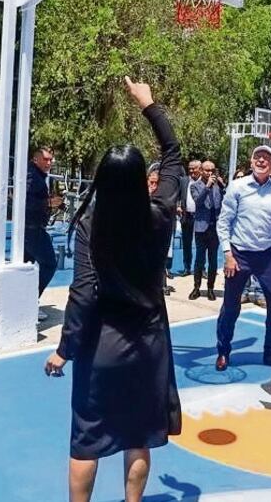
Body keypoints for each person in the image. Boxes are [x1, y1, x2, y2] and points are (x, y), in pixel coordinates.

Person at [43, 77, 183, 502]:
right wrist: (150, 104)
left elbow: (83, 294)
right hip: (149, 345)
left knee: (87, 439)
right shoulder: (160, 217)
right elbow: (174, 154)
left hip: (102, 348)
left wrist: (64, 349)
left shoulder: (91, 226)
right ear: (145, 180)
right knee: (137, 437)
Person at [215, 144, 271, 372]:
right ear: (252, 161)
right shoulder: (237, 186)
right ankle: (223, 351)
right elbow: (224, 222)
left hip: (267, 256)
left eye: (266, 158)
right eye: (257, 156)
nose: (261, 160)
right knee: (231, 307)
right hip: (239, 255)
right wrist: (227, 254)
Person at [25, 146, 58, 314]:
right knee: (50, 264)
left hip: (29, 229)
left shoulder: (35, 175)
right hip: (33, 230)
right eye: (46, 159)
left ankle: (25, 303)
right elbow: (27, 203)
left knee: (26, 267)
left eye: (51, 159)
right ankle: (30, 300)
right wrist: (49, 203)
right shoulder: (32, 177)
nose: (49, 162)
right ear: (36, 160)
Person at [189, 160, 224, 301]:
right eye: (207, 170)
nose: (210, 173)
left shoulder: (218, 186)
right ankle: (196, 287)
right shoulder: (195, 186)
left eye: (212, 170)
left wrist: (222, 185)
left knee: (213, 260)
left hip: (214, 228)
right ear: (201, 171)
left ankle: (210, 288)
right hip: (201, 228)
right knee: (199, 259)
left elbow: (225, 201)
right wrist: (207, 186)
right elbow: (198, 202)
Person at [178, 160, 202, 277]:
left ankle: (201, 269)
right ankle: (187, 268)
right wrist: (178, 206)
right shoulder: (183, 181)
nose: (192, 170)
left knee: (201, 245)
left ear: (200, 169)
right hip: (186, 216)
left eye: (194, 168)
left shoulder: (204, 182)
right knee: (186, 244)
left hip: (201, 218)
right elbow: (177, 196)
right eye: (190, 168)